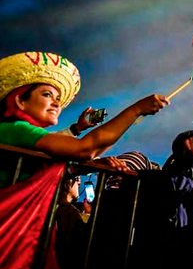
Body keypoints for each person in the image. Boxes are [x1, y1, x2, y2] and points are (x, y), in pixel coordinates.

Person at [0, 52, 168, 187]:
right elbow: (85, 149)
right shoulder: (15, 129)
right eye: (47, 94)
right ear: (20, 101)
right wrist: (136, 109)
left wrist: (88, 163)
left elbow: (74, 160)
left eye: (58, 98)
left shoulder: (20, 133)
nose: (56, 103)